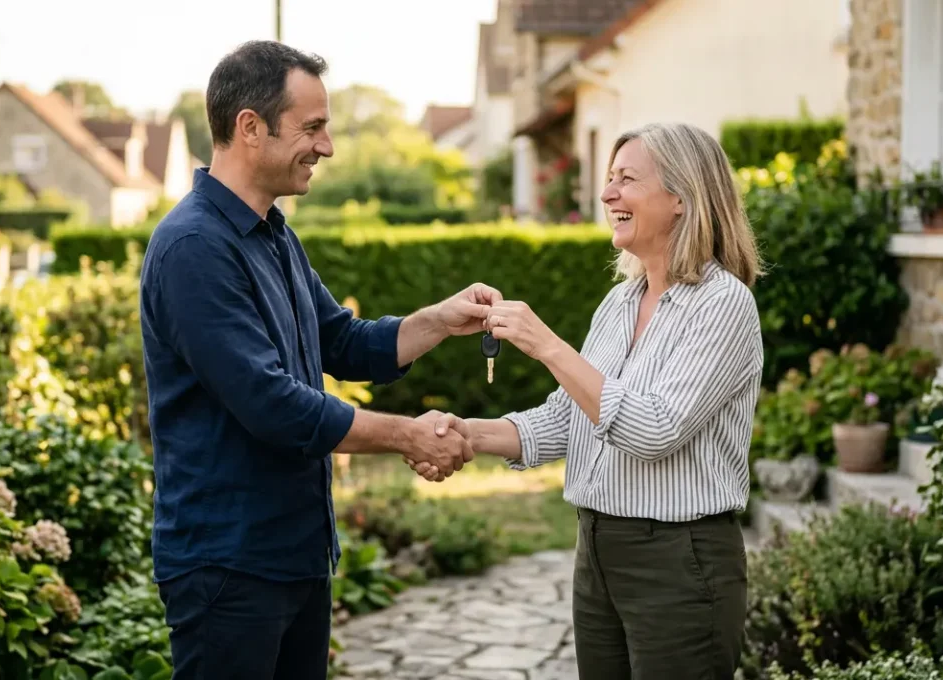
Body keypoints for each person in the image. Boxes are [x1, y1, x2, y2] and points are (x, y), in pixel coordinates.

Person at [139, 40, 498, 680]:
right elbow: (273, 407)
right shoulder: (193, 248)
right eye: (312, 128)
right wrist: (408, 435)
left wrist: (439, 321)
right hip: (228, 569)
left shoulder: (274, 234)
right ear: (250, 127)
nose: (326, 147)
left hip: (295, 555)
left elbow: (344, 343)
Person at [410, 122, 762, 679]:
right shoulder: (620, 302)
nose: (606, 195)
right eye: (609, 179)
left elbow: (654, 430)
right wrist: (467, 434)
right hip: (597, 551)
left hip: (677, 562)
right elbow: (568, 418)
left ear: (681, 197)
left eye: (626, 179)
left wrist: (546, 344)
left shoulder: (723, 305)